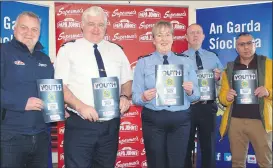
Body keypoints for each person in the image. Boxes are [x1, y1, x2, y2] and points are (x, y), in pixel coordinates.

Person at [54, 6, 132, 168]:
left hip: (110, 126)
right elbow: (60, 86)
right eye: (91, 24)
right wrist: (81, 106)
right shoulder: (68, 49)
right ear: (82, 25)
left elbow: (127, 81)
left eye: (101, 24)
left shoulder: (116, 50)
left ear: (106, 26)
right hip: (81, 124)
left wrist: (124, 96)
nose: (96, 29)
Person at [132, 20, 200, 168]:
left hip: (180, 120)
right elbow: (136, 98)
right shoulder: (143, 63)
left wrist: (191, 90)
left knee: (177, 163)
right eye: (159, 35)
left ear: (173, 38)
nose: (164, 39)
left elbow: (196, 96)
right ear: (153, 40)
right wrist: (143, 97)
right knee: (156, 163)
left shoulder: (186, 61)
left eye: (168, 34)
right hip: (154, 120)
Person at [219, 32, 272, 168]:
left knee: (266, 162)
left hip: (260, 121)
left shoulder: (268, 64)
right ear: (236, 47)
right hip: (236, 121)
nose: (246, 47)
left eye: (249, 43)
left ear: (255, 45)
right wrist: (227, 97)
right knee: (237, 163)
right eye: (242, 44)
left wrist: (268, 92)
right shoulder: (229, 68)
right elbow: (222, 97)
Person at [183, 23, 223, 168]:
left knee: (209, 147)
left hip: (208, 107)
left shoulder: (213, 57)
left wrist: (219, 78)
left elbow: (223, 81)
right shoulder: (180, 58)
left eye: (198, 32)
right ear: (186, 37)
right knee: (186, 147)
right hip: (188, 108)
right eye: (191, 33)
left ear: (203, 36)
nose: (195, 35)